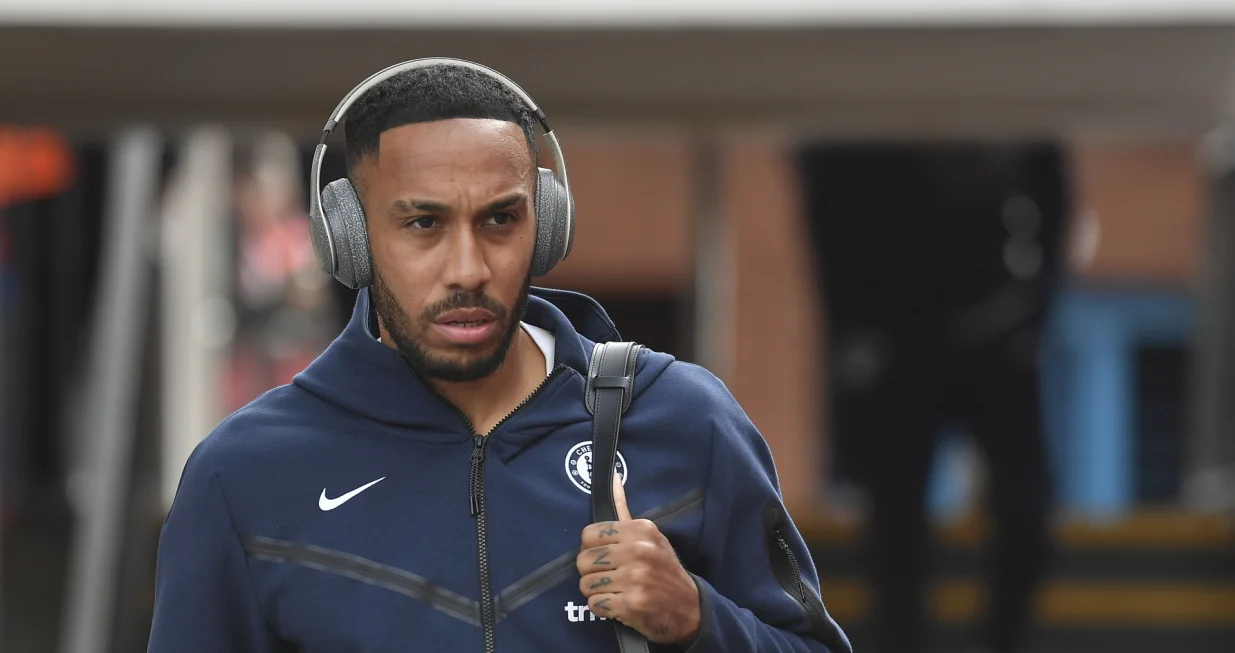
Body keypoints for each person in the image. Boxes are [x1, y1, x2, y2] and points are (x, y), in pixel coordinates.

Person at [147, 59, 851, 653]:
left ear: (545, 226)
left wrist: (699, 619)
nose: (468, 267)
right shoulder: (243, 477)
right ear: (350, 240)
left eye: (500, 219)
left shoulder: (683, 421)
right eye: (423, 223)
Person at [794, 142, 1064, 653]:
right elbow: (823, 206)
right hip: (900, 342)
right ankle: (903, 640)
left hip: (995, 331)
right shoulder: (862, 126)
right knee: (896, 523)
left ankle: (1002, 640)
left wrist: (1035, 315)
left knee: (1028, 508)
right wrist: (848, 327)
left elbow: (1053, 192)